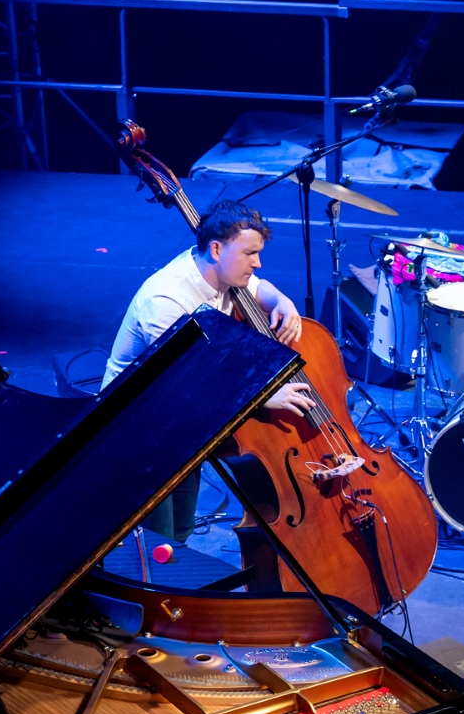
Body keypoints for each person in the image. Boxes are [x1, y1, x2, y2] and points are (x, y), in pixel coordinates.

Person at [102, 201, 313, 543]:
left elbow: (260, 287)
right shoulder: (167, 300)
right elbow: (192, 381)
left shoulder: (223, 270)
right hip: (136, 421)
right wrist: (263, 396)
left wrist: (282, 302)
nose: (257, 263)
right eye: (250, 253)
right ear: (216, 248)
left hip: (184, 414)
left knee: (181, 524)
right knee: (156, 533)